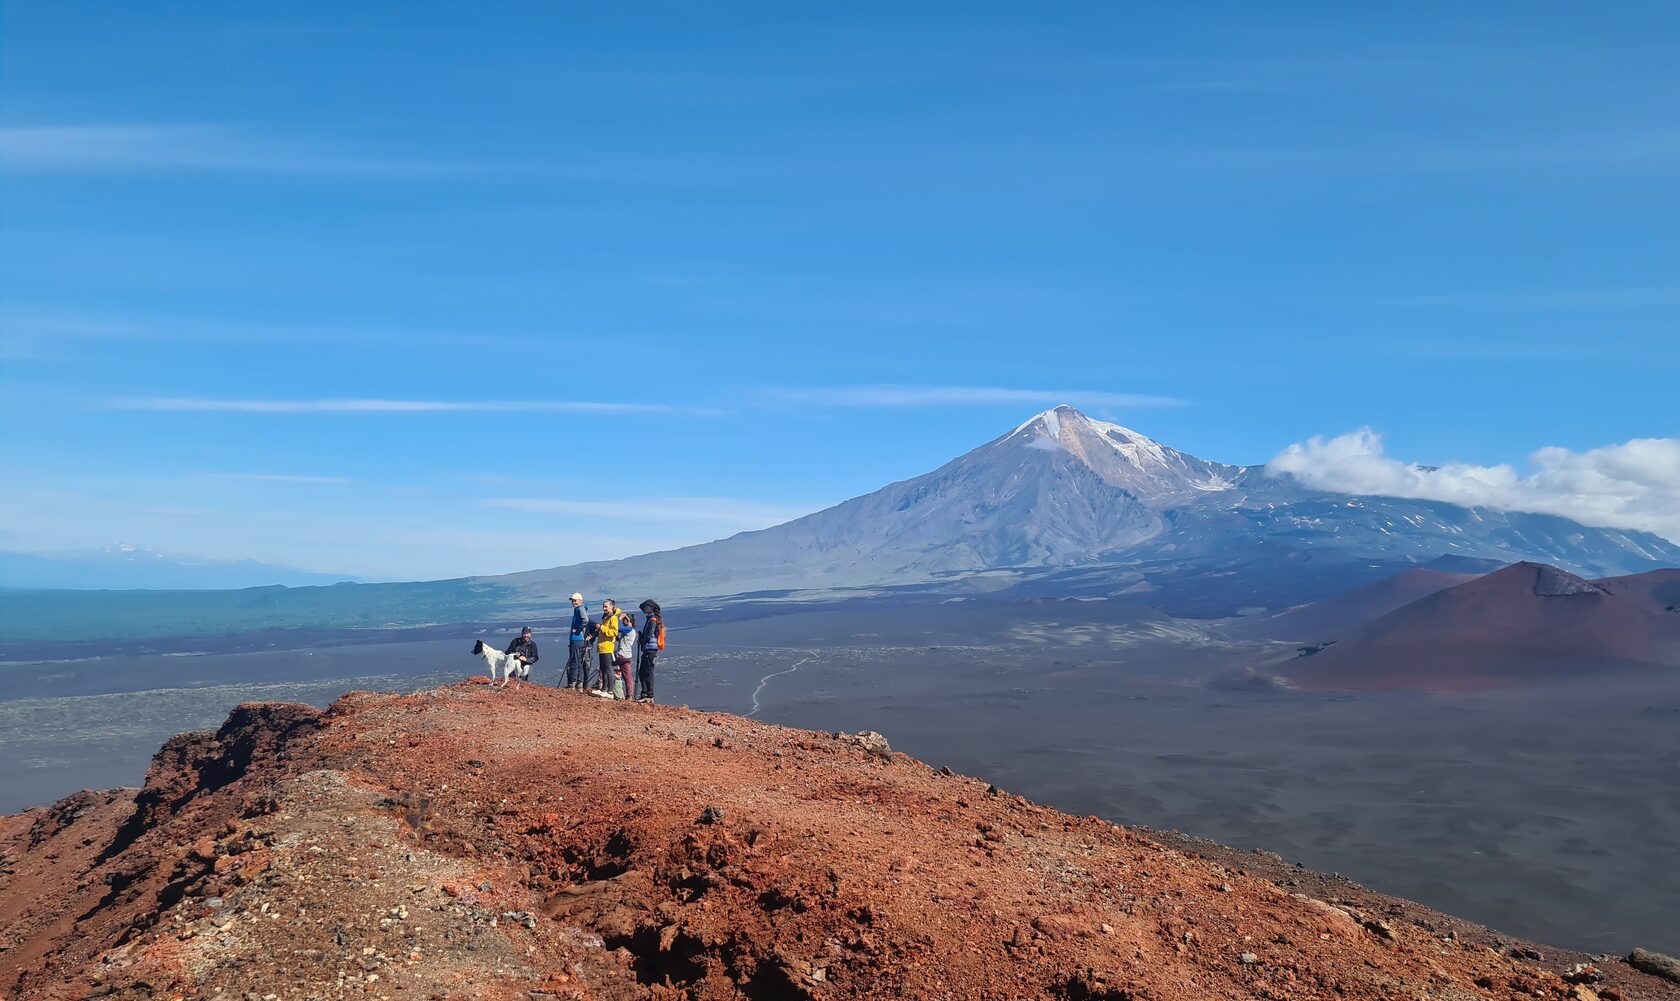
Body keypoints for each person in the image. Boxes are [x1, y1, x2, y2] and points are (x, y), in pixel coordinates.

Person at [636, 599, 662, 703]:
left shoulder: (652, 620)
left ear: (651, 608)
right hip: (651, 648)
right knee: (645, 671)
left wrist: (641, 639)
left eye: (647, 607)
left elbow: (649, 635)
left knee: (646, 672)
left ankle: (648, 695)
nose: (645, 608)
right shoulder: (653, 619)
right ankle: (646, 694)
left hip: (650, 648)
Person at [594, 599, 620, 694]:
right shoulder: (606, 617)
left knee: (608, 669)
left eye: (606, 606)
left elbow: (614, 632)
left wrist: (602, 628)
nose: (604, 608)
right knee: (603, 668)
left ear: (611, 606)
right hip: (602, 646)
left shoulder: (613, 618)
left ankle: (610, 690)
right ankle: (604, 689)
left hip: (607, 646)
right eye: (603, 606)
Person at [565, 592, 589, 690]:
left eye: (574, 600)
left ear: (579, 600)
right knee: (578, 660)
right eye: (572, 601)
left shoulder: (580, 609)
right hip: (578, 639)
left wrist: (578, 630)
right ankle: (579, 683)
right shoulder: (578, 609)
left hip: (577, 638)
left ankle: (573, 683)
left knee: (575, 660)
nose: (573, 602)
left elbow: (585, 620)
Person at [614, 608, 637, 701]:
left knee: (606, 668)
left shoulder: (628, 628)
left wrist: (618, 619)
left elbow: (616, 628)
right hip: (628, 655)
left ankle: (606, 688)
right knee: (628, 676)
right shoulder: (632, 630)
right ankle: (629, 695)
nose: (623, 621)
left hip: (621, 655)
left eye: (624, 620)